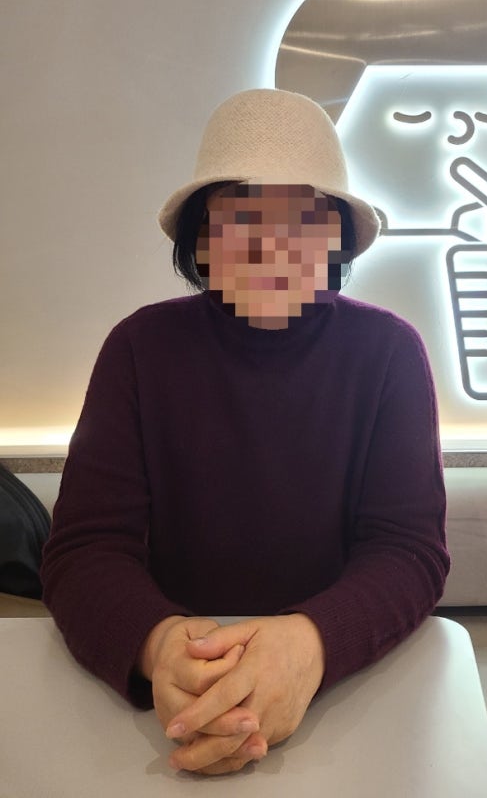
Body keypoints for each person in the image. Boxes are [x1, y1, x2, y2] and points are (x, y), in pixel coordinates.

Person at [41, 89, 450, 776]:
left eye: (302, 218)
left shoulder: (388, 352)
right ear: (201, 239)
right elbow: (84, 549)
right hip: (175, 692)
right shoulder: (139, 348)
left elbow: (408, 550)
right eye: (240, 216)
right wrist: (162, 646)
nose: (271, 244)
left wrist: (308, 645)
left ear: (337, 239)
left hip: (342, 693)